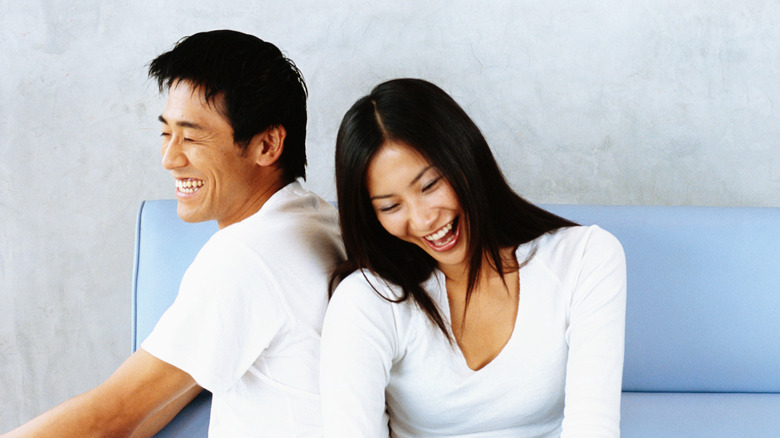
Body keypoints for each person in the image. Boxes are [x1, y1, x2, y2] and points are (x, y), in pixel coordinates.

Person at [3, 30, 344, 438]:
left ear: (267, 144)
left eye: (192, 136)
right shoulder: (318, 220)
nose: (170, 158)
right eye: (166, 133)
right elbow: (149, 403)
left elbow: (108, 418)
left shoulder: (246, 256)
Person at [320, 78, 626, 437]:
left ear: (465, 156)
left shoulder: (584, 258)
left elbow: (593, 428)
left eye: (430, 185)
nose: (422, 219)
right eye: (390, 206)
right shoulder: (368, 300)